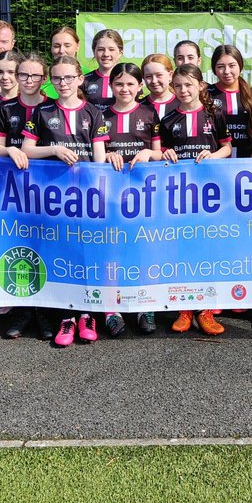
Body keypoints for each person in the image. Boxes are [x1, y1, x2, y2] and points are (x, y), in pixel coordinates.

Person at [21, 56, 109, 347]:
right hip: (53, 197)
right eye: (57, 79)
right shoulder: (42, 111)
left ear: (80, 80)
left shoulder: (94, 112)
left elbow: (99, 156)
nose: (63, 83)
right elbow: (27, 150)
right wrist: (54, 149)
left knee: (84, 253)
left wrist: (99, 192)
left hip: (85, 197)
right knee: (59, 252)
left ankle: (86, 314)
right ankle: (65, 317)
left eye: (69, 78)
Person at [158, 63, 232, 335]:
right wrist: (166, 155)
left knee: (208, 249)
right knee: (182, 249)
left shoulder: (215, 113)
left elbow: (227, 148)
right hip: (179, 195)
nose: (183, 90)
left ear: (201, 86)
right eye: (177, 86)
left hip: (210, 195)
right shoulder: (167, 120)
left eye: (188, 85)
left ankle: (207, 310)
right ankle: (184, 309)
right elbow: (163, 153)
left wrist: (213, 156)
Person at [0, 52, 50, 341]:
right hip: (12, 186)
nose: (27, 80)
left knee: (46, 244)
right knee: (20, 241)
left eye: (34, 76)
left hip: (49, 189)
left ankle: (44, 311)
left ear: (44, 79)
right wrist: (11, 150)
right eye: (22, 75)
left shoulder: (53, 107)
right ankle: (24, 310)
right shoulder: (5, 108)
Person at [102, 62, 162, 336]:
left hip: (143, 196)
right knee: (111, 251)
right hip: (109, 197)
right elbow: (95, 153)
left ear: (140, 87)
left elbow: (159, 153)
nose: (124, 89)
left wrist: (150, 154)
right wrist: (107, 156)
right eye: (119, 84)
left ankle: (144, 306)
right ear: (111, 85)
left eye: (130, 84)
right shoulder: (99, 114)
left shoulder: (150, 113)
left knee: (142, 248)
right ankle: (110, 310)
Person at [208, 44, 252, 158]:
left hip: (248, 163)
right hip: (215, 163)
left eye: (232, 65)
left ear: (240, 66)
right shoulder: (206, 94)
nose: (226, 71)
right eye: (221, 66)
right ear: (214, 69)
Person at [82, 29, 124, 115]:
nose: (106, 54)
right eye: (101, 49)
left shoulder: (130, 80)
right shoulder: (84, 81)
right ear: (94, 52)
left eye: (111, 49)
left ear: (120, 52)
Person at [142, 53, 178, 120]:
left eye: (159, 75)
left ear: (170, 75)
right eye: (148, 76)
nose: (154, 81)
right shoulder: (139, 106)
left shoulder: (182, 104)